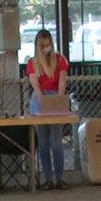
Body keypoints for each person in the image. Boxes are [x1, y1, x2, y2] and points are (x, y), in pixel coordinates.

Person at [26, 29, 69, 189]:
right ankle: (48, 179)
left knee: (56, 141)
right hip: (39, 99)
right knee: (43, 142)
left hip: (55, 97)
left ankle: (59, 178)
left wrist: (58, 99)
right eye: (43, 45)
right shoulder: (32, 63)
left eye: (48, 44)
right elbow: (35, 85)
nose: (46, 48)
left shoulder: (60, 60)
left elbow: (62, 82)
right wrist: (42, 100)